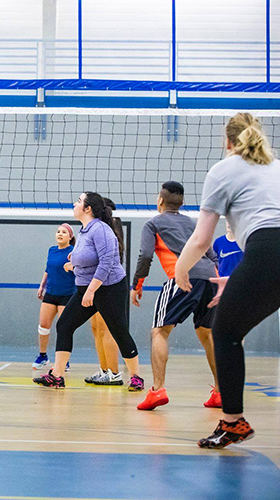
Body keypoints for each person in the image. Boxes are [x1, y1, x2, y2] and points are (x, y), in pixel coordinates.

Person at [175, 112, 279, 448]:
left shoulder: (223, 169)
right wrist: (239, 282)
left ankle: (233, 423)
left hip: (268, 251)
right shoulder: (276, 167)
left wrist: (181, 267)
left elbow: (202, 239)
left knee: (225, 332)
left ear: (228, 141)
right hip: (266, 255)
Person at [33, 192, 143, 390]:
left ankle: (136, 377)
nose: (74, 204)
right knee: (65, 325)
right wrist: (73, 265)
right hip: (87, 288)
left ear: (88, 209)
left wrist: (91, 290)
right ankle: (57, 376)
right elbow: (86, 258)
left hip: (109, 288)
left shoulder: (101, 229)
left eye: (78, 201)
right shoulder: (84, 230)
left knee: (118, 331)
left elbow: (108, 262)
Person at [132, 181, 221, 411]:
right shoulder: (193, 223)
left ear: (160, 200)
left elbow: (145, 256)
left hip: (182, 277)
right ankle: (220, 393)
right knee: (206, 332)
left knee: (160, 331)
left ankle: (157, 390)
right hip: (210, 278)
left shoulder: (153, 223)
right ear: (182, 203)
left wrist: (137, 284)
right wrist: (217, 283)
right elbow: (212, 255)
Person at [84, 198, 122, 386]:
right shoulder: (91, 230)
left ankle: (114, 372)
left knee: (107, 328)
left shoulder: (109, 228)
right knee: (96, 328)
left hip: (107, 284)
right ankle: (104, 369)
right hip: (94, 282)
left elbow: (111, 258)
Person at [33, 224, 76, 370]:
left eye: (64, 232)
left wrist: (73, 267)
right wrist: (42, 286)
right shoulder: (51, 250)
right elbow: (48, 269)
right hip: (51, 293)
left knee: (63, 328)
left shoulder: (74, 252)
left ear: (70, 237)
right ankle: (43, 356)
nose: (60, 234)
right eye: (58, 231)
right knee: (43, 326)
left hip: (67, 295)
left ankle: (63, 361)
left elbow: (81, 270)